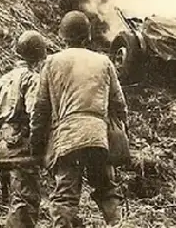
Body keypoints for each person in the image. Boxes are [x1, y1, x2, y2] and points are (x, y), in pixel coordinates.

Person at [30, 11, 129, 227]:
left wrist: (36, 145)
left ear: (63, 37)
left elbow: (41, 109)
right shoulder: (104, 62)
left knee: (65, 197)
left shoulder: (51, 63)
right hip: (98, 137)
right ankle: (118, 224)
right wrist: (119, 137)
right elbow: (120, 106)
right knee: (107, 189)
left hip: (67, 139)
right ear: (88, 36)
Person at [0, 30, 48, 228]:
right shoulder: (32, 79)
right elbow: (35, 115)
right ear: (38, 56)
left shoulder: (2, 80)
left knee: (9, 200)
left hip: (0, 142)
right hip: (19, 143)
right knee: (25, 201)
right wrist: (38, 145)